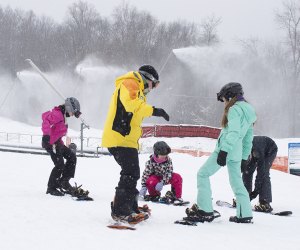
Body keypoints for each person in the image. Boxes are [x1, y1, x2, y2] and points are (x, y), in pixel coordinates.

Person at [102, 65, 170, 224]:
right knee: (130, 172)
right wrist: (155, 111)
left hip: (127, 140)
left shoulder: (137, 89)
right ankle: (120, 211)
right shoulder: (131, 83)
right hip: (119, 138)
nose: (153, 88)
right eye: (155, 84)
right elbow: (132, 105)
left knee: (133, 172)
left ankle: (130, 207)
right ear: (148, 79)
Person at [186, 82, 257, 224]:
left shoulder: (234, 110)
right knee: (237, 183)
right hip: (236, 153)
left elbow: (234, 132)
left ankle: (205, 210)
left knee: (202, 174)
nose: (224, 102)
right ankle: (244, 214)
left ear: (230, 96)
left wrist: (224, 151)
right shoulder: (249, 111)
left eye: (224, 99)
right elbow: (248, 138)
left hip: (226, 149)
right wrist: (244, 157)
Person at [42, 97, 89, 198]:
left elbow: (58, 132)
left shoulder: (63, 115)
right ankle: (51, 188)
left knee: (71, 156)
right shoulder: (57, 114)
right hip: (50, 143)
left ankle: (64, 182)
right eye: (73, 112)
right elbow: (46, 120)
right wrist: (46, 135)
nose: (72, 115)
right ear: (69, 108)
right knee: (59, 165)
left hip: (58, 143)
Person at [241, 136, 278, 212]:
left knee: (264, 173)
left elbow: (261, 174)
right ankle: (245, 196)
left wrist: (255, 192)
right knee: (247, 171)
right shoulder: (245, 147)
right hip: (256, 149)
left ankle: (264, 202)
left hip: (270, 149)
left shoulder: (257, 150)